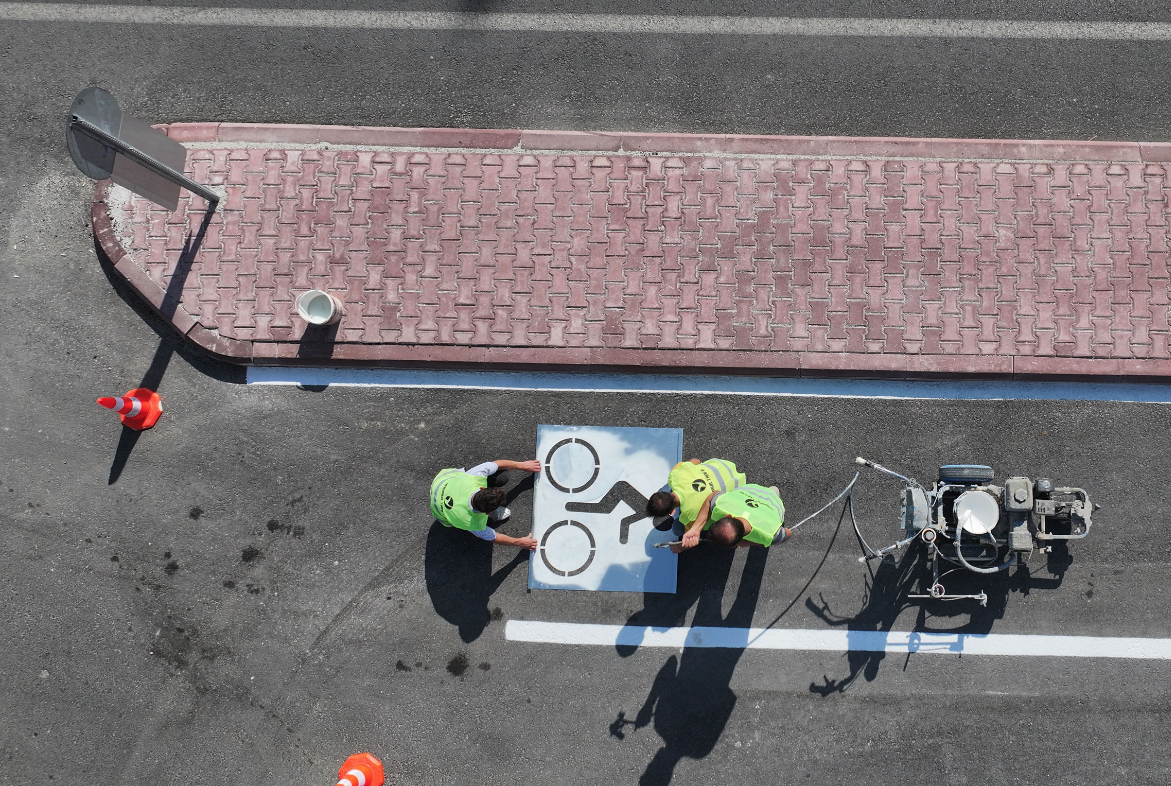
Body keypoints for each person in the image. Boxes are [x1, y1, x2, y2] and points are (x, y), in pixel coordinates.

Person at [430, 459, 541, 550]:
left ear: (482, 488)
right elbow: (494, 537)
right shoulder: (474, 524)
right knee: (491, 519)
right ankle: (494, 515)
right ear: (487, 512)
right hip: (442, 513)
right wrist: (519, 542)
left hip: (442, 482)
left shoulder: (473, 478)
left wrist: (522, 465)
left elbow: (496, 464)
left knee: (502, 476)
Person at [671, 483, 791, 552]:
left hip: (765, 498)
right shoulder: (722, 506)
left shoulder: (771, 534)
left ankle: (773, 493)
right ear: (728, 516)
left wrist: (750, 543)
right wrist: (695, 530)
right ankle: (772, 492)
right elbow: (712, 496)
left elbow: (788, 533)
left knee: (773, 494)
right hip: (755, 491)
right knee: (773, 491)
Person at [646, 458, 747, 530]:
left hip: (738, 487)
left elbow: (695, 529)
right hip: (725, 466)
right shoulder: (676, 474)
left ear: (672, 511)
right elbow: (696, 460)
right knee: (671, 481)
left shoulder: (690, 516)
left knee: (677, 529)